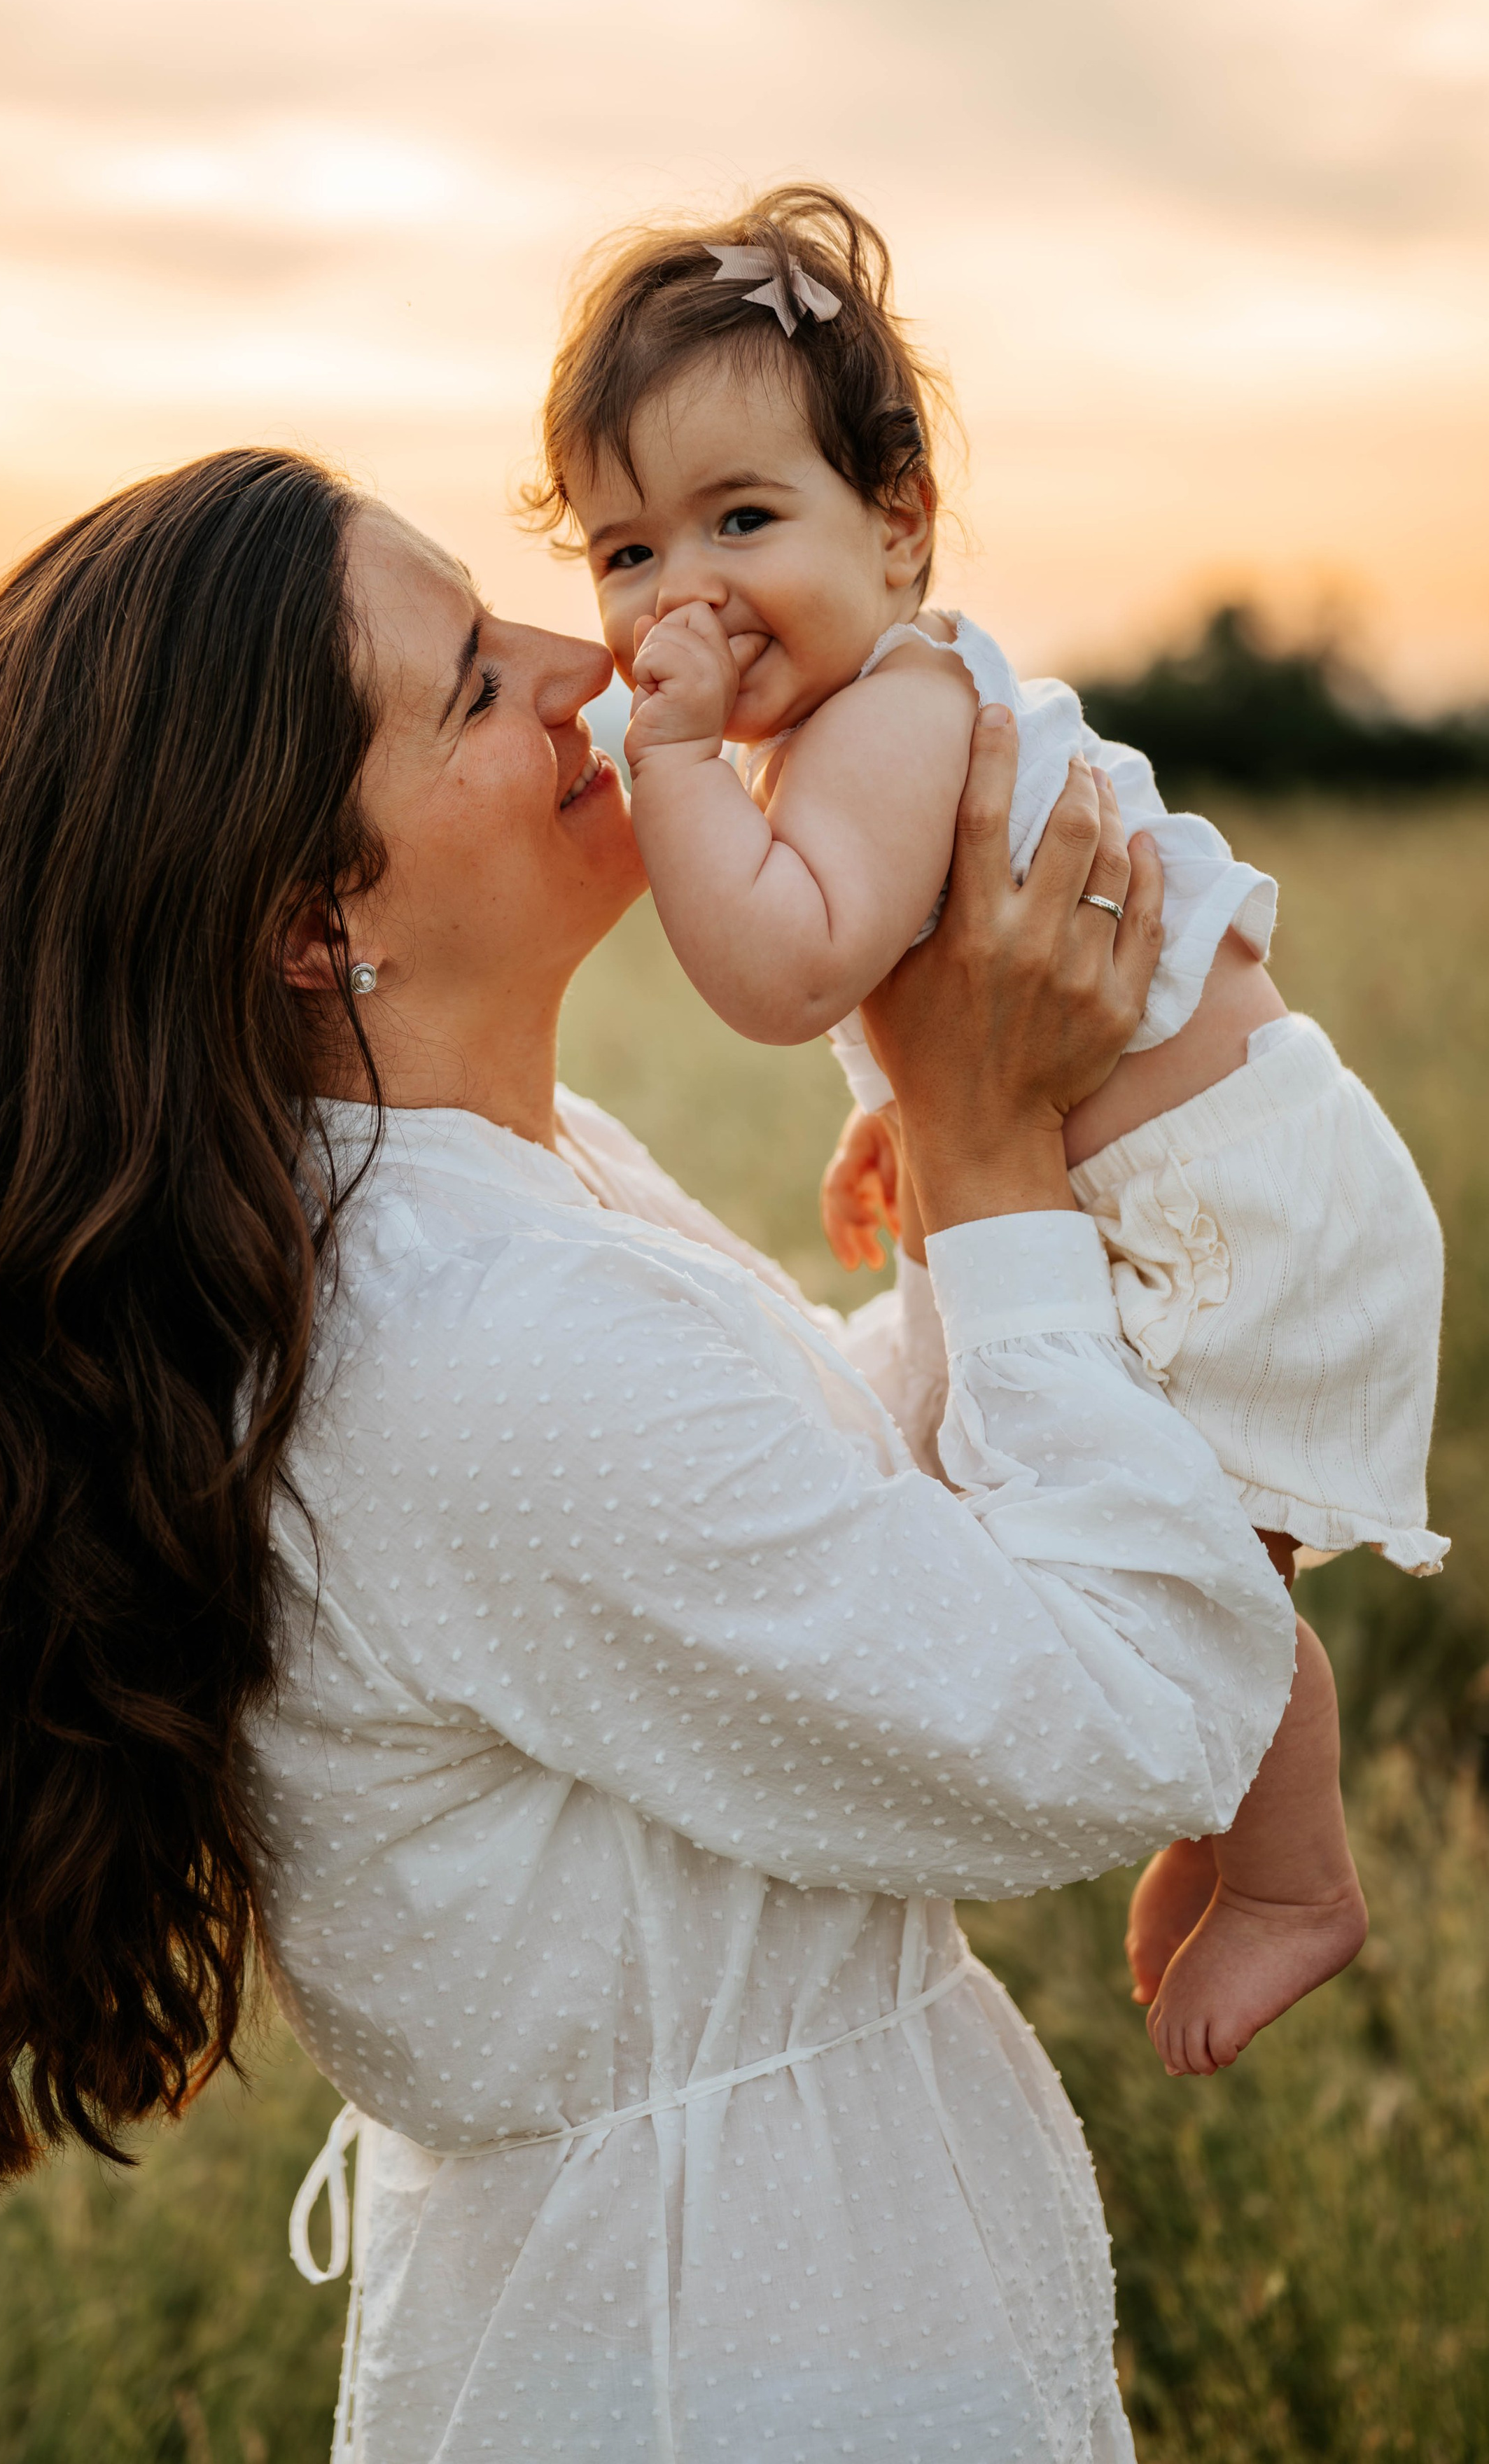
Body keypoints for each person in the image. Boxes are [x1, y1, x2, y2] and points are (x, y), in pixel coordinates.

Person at [0, 445, 1298, 2463]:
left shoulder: (461, 1202)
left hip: (740, 2293)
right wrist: (993, 1168)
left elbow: (800, 1499)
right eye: (471, 677)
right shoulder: (469, 1350)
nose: (595, 658)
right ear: (311, 922)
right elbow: (1124, 1723)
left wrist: (1066, 1127)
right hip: (735, 2362)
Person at [529, 183, 1445, 2080]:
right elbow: (915, 993)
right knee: (1175, 1535)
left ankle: (1291, 1876)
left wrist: (677, 762)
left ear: (900, 526)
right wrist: (905, 1128)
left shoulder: (889, 713)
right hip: (1178, 1167)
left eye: (743, 520)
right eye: (624, 554)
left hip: (1225, 1199)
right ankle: (1238, 1841)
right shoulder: (865, 714)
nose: (675, 594)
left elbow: (791, 970)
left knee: (1194, 1553)